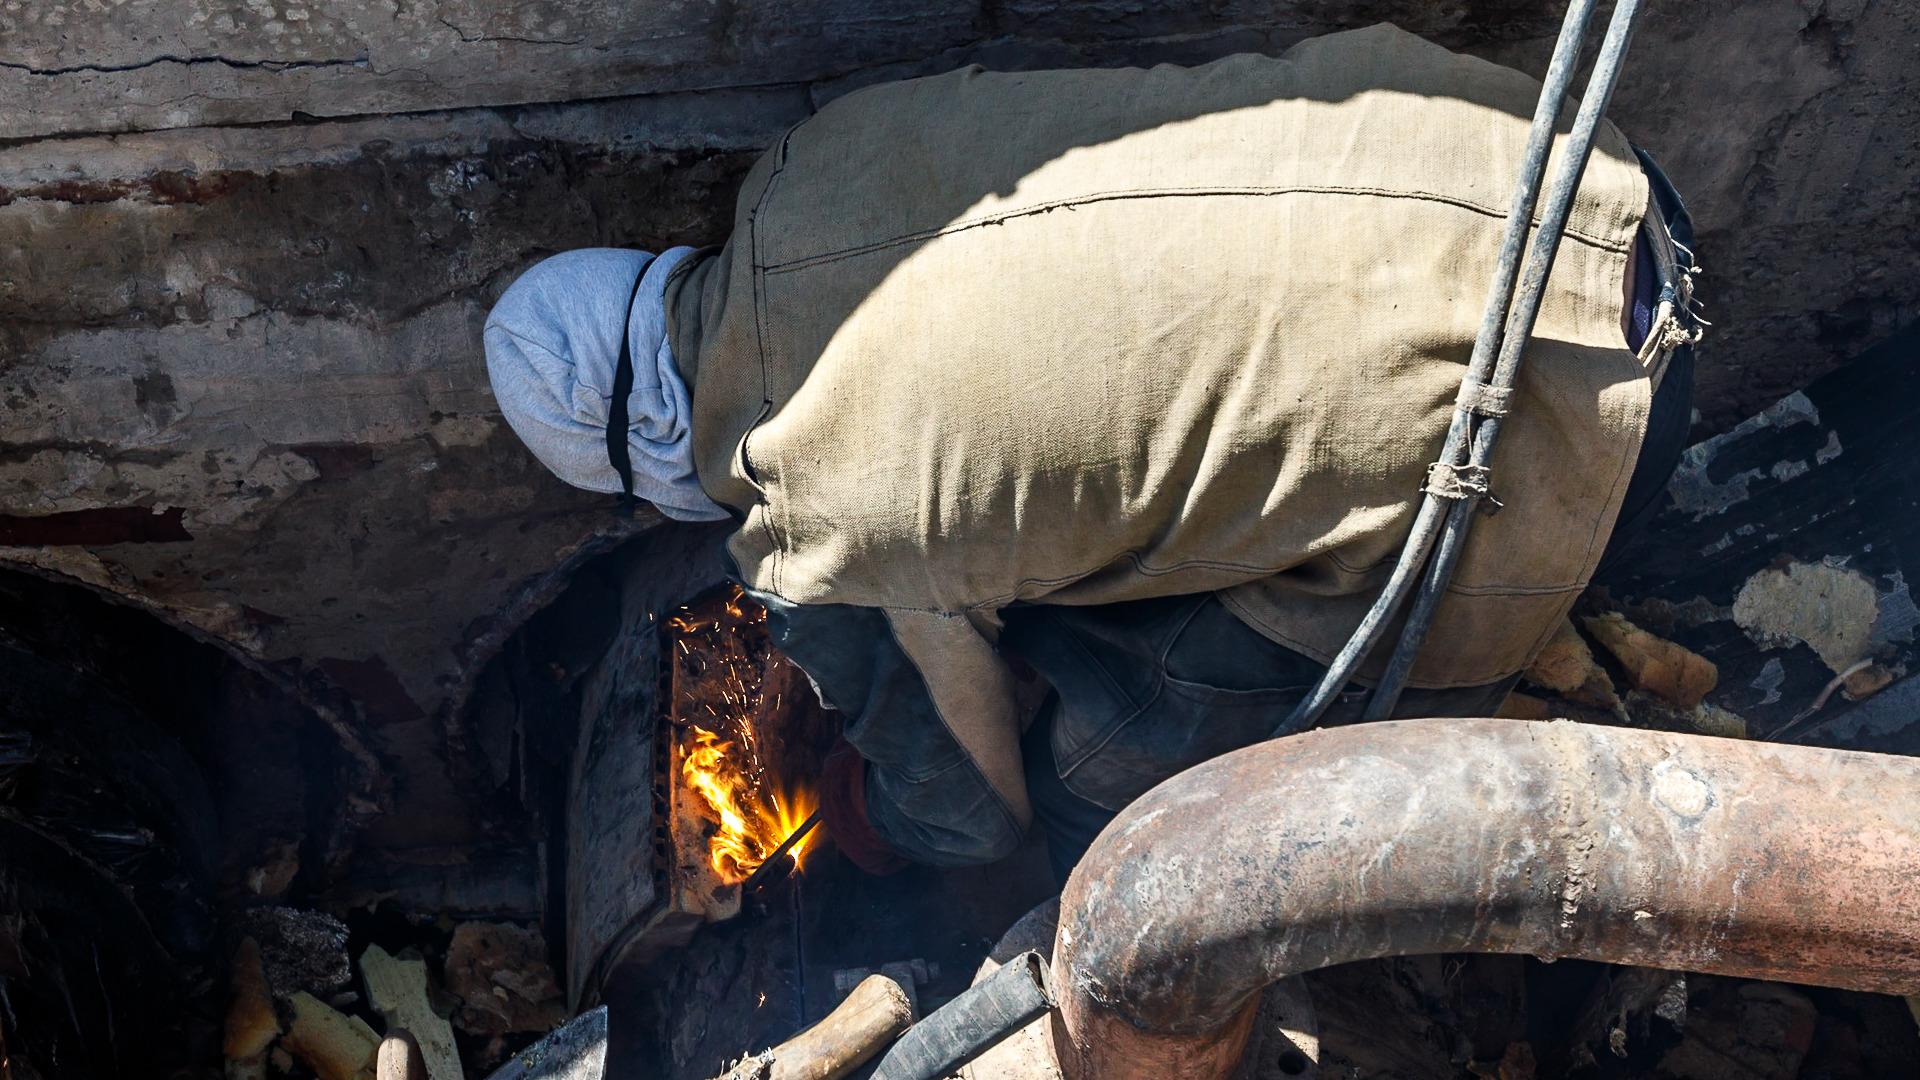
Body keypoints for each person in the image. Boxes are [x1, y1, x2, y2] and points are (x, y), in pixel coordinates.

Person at [483, 24, 1701, 879]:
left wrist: (859, 814)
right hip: (1557, 162)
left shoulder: (807, 535)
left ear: (645, 465)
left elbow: (975, 819)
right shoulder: (817, 150)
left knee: (1097, 784)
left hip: (1555, 431)